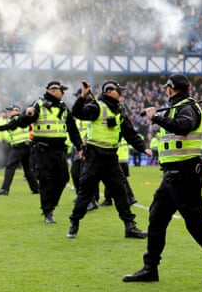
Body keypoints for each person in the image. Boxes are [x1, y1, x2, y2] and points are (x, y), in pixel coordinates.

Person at [123, 74, 202, 284]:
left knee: (195, 223)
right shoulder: (180, 106)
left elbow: (184, 126)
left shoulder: (188, 107)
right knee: (156, 218)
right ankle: (150, 268)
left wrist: (156, 117)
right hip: (173, 175)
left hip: (185, 174)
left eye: (167, 88)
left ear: (171, 89)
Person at [66, 80, 151, 239]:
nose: (121, 93)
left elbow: (129, 133)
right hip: (94, 158)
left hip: (111, 158)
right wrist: (83, 97)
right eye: (119, 90)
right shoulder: (96, 106)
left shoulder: (119, 110)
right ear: (110, 91)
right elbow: (77, 113)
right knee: (85, 193)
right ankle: (74, 224)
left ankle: (130, 227)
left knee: (121, 193)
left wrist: (143, 148)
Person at [18, 81, 83, 224]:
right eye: (61, 90)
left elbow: (73, 130)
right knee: (46, 180)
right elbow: (22, 123)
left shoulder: (64, 108)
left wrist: (80, 147)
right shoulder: (38, 105)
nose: (63, 93)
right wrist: (27, 115)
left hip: (59, 150)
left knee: (63, 179)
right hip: (43, 149)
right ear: (53, 91)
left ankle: (50, 205)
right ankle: (47, 211)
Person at [0, 105, 39, 195]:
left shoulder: (17, 119)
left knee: (10, 167)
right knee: (27, 169)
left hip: (19, 147)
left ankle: (4, 189)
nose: (8, 112)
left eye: (10, 110)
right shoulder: (21, 119)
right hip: (26, 146)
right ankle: (36, 189)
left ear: (16, 111)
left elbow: (3, 127)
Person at [100, 138, 137, 206]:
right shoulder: (123, 133)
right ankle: (108, 199)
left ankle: (130, 197)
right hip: (123, 158)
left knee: (121, 179)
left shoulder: (114, 133)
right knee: (109, 177)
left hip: (116, 158)